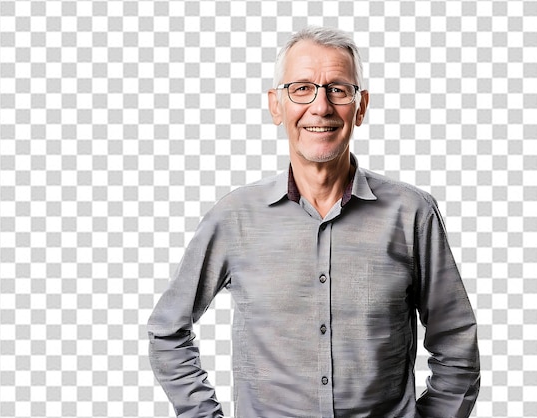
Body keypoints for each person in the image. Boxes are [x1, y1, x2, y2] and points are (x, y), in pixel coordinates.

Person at [147, 26, 480, 418]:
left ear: (361, 106)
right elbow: (168, 330)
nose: (320, 107)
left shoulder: (412, 213)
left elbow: (456, 343)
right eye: (301, 88)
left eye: (338, 89)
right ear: (277, 106)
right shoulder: (234, 216)